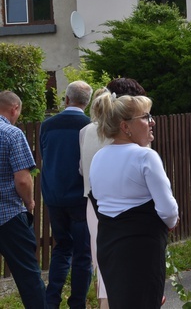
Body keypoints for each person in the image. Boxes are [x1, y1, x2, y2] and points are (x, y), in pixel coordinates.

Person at [89, 92, 179, 309]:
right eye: (145, 117)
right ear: (125, 126)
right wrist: (169, 224)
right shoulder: (145, 156)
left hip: (109, 244)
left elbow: (100, 201)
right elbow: (168, 210)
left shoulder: (99, 157)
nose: (152, 122)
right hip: (141, 245)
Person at [80, 78, 146, 309]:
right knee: (128, 263)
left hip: (92, 202)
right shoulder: (121, 131)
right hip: (123, 202)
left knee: (102, 261)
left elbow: (82, 168)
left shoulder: (85, 131)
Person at [40, 80, 94, 309]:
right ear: (87, 102)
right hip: (80, 197)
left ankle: (51, 300)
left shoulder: (48, 125)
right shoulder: (89, 126)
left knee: (61, 247)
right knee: (83, 253)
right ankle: (77, 303)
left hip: (53, 195)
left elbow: (45, 154)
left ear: (66, 99)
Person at [0, 91, 47, 308]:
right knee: (28, 277)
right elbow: (23, 180)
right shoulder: (11, 134)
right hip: (8, 216)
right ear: (14, 109)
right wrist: (29, 203)